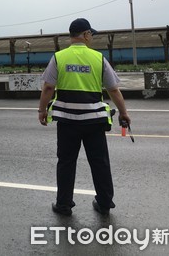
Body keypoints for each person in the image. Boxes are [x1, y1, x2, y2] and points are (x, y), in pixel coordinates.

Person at [38, 18, 131, 216]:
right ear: (86, 34)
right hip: (94, 122)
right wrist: (124, 113)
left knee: (66, 162)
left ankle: (63, 205)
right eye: (91, 35)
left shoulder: (59, 57)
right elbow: (113, 90)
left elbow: (48, 87)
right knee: (99, 162)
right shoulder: (98, 58)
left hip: (67, 121)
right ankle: (104, 203)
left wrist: (42, 110)